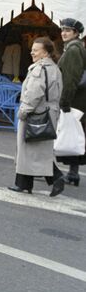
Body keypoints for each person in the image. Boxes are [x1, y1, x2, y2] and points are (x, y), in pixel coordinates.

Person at [7, 37, 64, 196]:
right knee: (35, 150)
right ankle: (24, 183)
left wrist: (23, 111)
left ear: (45, 52)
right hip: (48, 112)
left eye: (36, 49)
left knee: (32, 150)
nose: (32, 52)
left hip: (35, 113)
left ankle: (55, 178)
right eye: (32, 49)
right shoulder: (53, 68)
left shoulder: (39, 69)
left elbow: (33, 94)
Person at [56, 18, 86, 185]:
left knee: (70, 135)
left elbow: (71, 79)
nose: (63, 33)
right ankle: (73, 173)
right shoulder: (75, 47)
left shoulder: (74, 49)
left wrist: (64, 102)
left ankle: (48, 170)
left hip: (74, 100)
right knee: (73, 135)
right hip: (77, 100)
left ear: (76, 33)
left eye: (68, 30)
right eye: (62, 29)